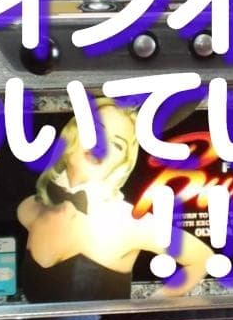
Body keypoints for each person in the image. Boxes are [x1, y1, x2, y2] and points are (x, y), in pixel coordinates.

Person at [17, 100, 214, 302]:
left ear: (122, 162)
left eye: (117, 145)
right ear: (72, 134)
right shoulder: (30, 207)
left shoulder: (129, 222)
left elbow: (202, 259)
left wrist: (146, 310)